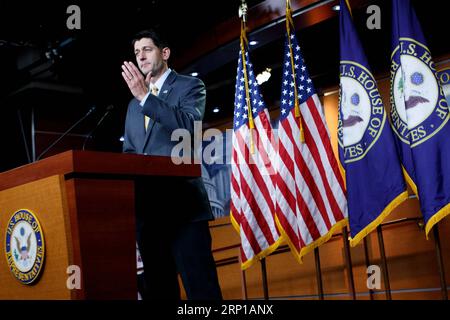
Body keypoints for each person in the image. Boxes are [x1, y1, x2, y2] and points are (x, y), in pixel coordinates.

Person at [121, 29, 222, 300]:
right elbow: (130, 152)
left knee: (201, 289)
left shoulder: (189, 86)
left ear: (164, 53)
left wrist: (146, 98)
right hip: (148, 214)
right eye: (136, 52)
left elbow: (190, 129)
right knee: (159, 290)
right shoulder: (132, 106)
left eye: (147, 50)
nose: (140, 57)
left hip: (183, 210)